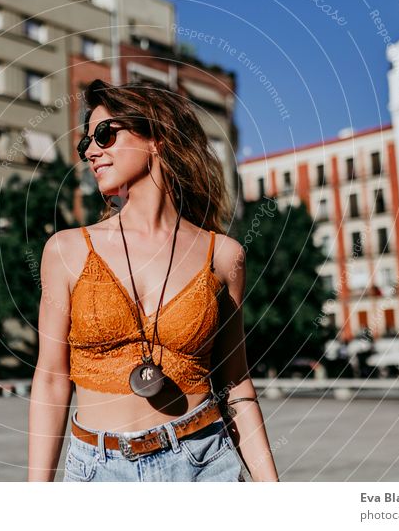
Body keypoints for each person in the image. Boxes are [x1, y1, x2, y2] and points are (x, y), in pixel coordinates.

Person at [27, 79, 279, 482]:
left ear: (156, 139)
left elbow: (234, 382)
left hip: (204, 461)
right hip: (98, 471)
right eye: (86, 144)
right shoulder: (66, 251)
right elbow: (52, 378)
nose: (92, 151)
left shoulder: (223, 255)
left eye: (105, 136)